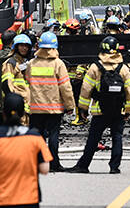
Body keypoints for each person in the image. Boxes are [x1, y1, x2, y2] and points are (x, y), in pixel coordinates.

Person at [68, 36, 130, 174]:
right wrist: (127, 110)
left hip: (99, 111)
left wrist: (83, 109)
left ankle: (83, 165)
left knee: (93, 139)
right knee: (117, 138)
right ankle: (114, 167)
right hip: (118, 110)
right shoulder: (124, 69)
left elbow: (86, 89)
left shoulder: (95, 67)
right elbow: (129, 91)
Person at [26, 32, 75, 172]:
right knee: (53, 135)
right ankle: (53, 164)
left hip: (36, 108)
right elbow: (65, 87)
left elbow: (28, 83)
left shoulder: (31, 63)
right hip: (54, 109)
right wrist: (70, 106)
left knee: (38, 137)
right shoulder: (58, 64)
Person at [0, 93, 52, 207]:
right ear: (23, 114)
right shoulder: (35, 137)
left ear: (3, 113)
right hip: (29, 199)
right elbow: (44, 169)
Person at [2, 34, 32, 125]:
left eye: (26, 46)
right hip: (17, 106)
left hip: (26, 105)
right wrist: (13, 102)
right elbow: (7, 84)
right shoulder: (11, 63)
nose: (24, 48)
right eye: (21, 45)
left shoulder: (25, 62)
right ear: (16, 47)